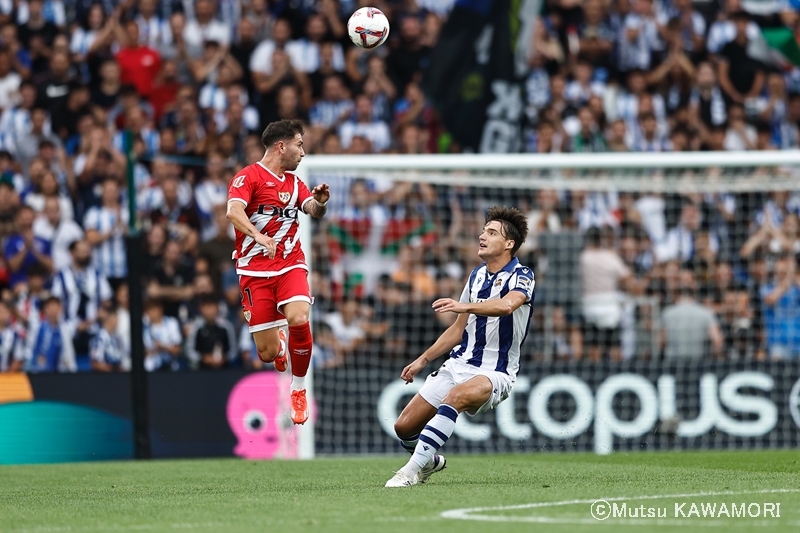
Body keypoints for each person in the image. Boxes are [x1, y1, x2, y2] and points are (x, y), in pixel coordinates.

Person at [385, 206, 534, 488]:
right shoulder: (476, 276)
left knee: (454, 398)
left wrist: (463, 304)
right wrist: (422, 360)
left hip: (495, 373)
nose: (482, 236)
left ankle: (408, 473)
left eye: (491, 233)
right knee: (403, 427)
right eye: (483, 231)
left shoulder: (522, 275)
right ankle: (429, 463)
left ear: (509, 243)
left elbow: (506, 306)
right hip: (458, 364)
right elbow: (457, 329)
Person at [226, 119, 330, 425]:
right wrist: (258, 237)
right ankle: (281, 345)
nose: (303, 152)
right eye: (299, 144)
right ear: (281, 146)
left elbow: (312, 210)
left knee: (299, 317)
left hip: (290, 264)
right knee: (268, 354)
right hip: (253, 272)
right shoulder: (248, 177)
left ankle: (298, 390)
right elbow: (233, 211)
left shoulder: (295, 183)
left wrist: (321, 203)